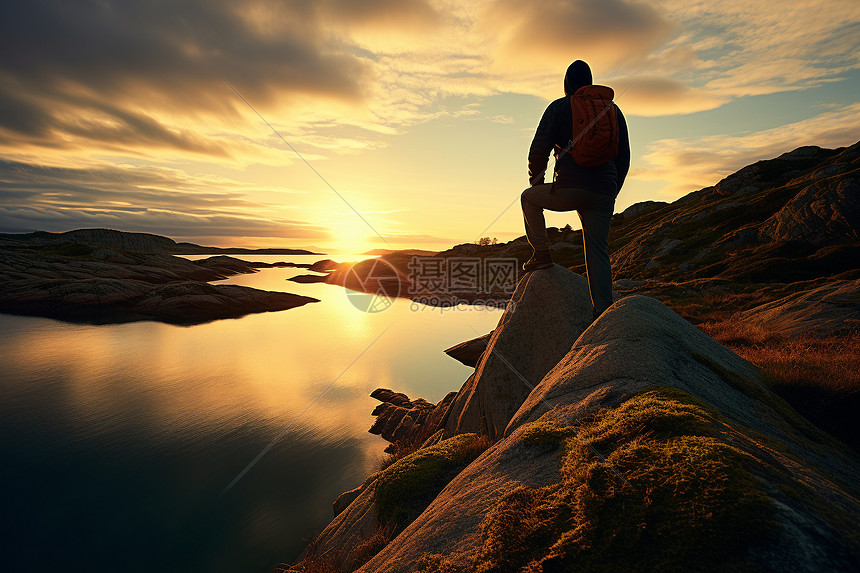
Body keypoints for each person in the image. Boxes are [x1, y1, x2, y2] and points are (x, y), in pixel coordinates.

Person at [520, 60, 630, 318]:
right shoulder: (613, 110)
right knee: (597, 251)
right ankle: (603, 313)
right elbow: (623, 157)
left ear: (567, 83)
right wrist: (612, 190)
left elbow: (538, 151)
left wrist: (538, 184)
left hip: (570, 187)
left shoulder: (559, 106)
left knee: (529, 199)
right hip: (604, 190)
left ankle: (542, 254)